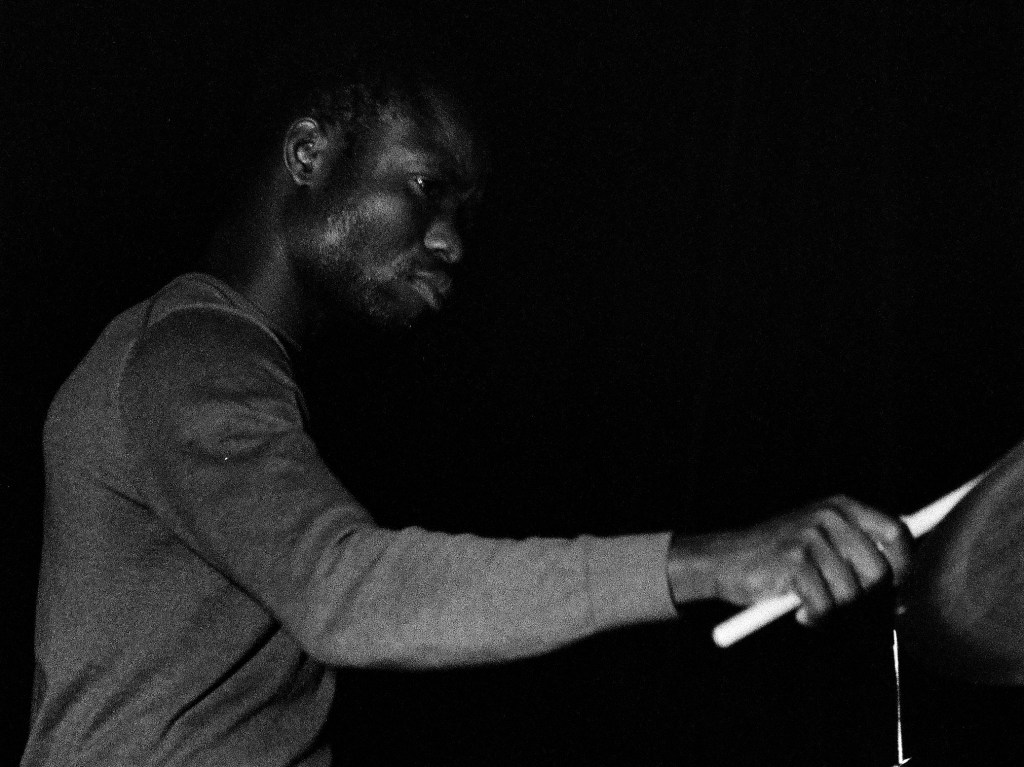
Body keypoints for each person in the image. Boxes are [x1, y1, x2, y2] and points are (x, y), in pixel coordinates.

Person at [22, 58, 912, 766]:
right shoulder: (191, 351)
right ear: (309, 155)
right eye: (425, 186)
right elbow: (349, 594)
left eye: (464, 213)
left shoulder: (226, 361)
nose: (450, 239)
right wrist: (703, 560)